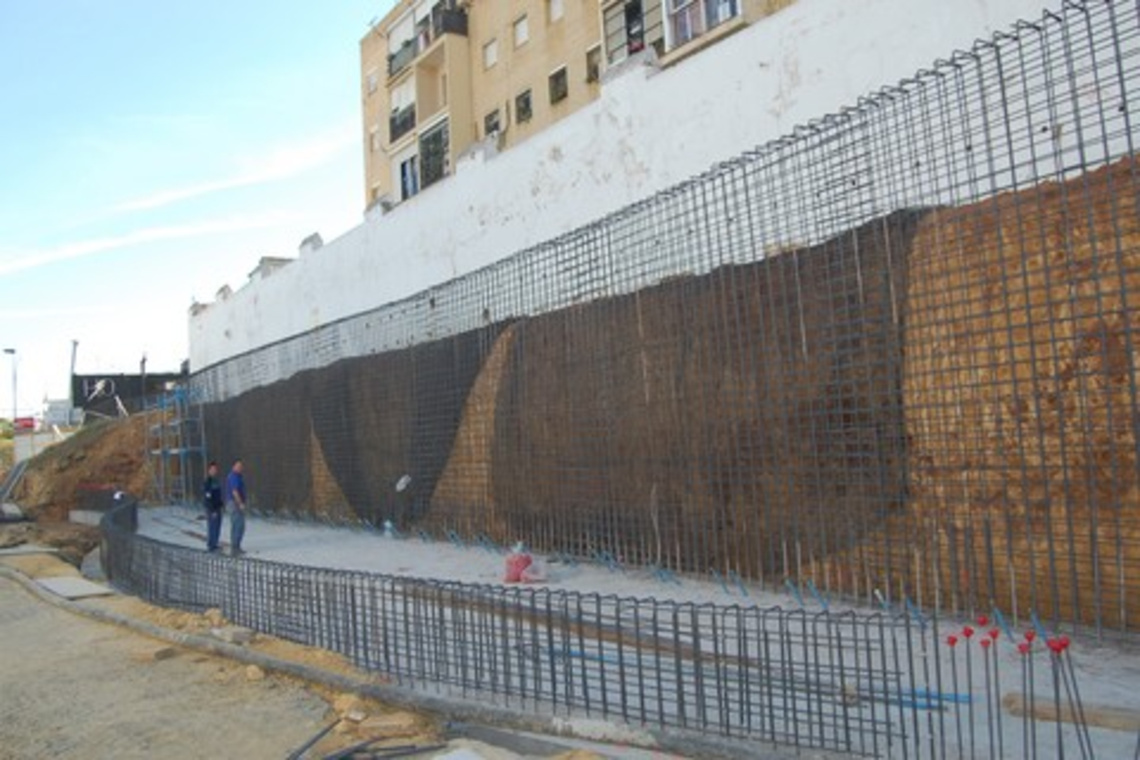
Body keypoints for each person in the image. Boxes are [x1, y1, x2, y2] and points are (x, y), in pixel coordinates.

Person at [226, 459, 248, 555]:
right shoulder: (234, 476)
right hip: (234, 503)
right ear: (233, 466)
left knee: (238, 525)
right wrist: (240, 503)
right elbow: (235, 492)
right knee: (238, 525)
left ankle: (236, 546)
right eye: (238, 466)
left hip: (234, 503)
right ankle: (235, 547)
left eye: (241, 466)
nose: (240, 468)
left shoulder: (237, 476)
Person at [202, 461, 224, 552]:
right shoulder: (208, 482)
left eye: (215, 469)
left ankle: (215, 544)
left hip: (218, 508)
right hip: (211, 509)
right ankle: (211, 546)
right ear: (209, 470)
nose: (214, 471)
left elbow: (218, 495)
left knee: (217, 526)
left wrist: (221, 504)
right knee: (212, 527)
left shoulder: (216, 481)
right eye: (212, 469)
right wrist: (212, 509)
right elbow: (208, 497)